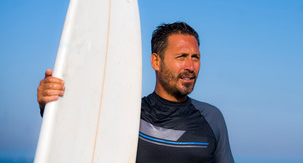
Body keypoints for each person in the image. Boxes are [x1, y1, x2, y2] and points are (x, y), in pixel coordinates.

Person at [37, 22, 234, 163]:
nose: (190, 66)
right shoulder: (128, 113)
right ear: (156, 62)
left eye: (195, 57)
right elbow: (77, 132)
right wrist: (50, 104)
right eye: (181, 57)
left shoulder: (211, 118)